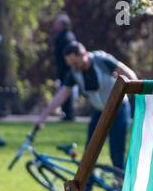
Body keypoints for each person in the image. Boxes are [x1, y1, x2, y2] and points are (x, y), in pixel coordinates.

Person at [33, 44, 136, 175]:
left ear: (84, 55)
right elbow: (62, 94)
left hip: (119, 108)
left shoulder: (102, 60)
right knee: (90, 152)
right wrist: (43, 116)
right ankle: (85, 188)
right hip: (100, 111)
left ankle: (119, 186)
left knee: (117, 150)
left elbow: (130, 75)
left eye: (75, 63)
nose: (74, 67)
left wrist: (141, 99)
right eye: (71, 64)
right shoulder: (74, 72)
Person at [51, 12, 77, 121]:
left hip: (66, 69)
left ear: (62, 25)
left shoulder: (66, 37)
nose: (54, 25)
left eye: (56, 23)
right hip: (64, 68)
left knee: (66, 91)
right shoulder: (65, 36)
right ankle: (67, 113)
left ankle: (69, 114)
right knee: (64, 89)